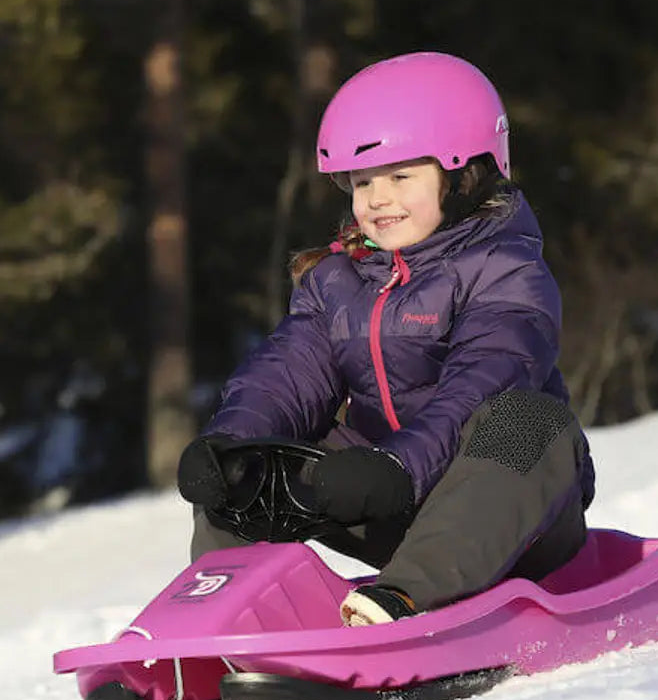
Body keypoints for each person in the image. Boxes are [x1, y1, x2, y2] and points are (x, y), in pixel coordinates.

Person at [176, 51, 595, 626]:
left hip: (513, 518)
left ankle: (402, 603)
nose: (377, 198)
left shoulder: (507, 272)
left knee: (528, 422)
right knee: (250, 464)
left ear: (464, 175)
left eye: (401, 177)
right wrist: (230, 443)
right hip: (384, 502)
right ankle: (233, 620)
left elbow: (484, 382)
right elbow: (288, 372)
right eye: (363, 181)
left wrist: (398, 466)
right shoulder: (337, 280)